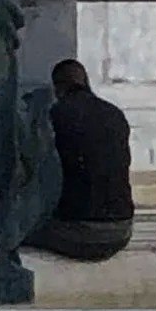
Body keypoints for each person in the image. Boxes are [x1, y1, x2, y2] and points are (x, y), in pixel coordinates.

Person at [33, 55, 136, 259]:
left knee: (16, 229)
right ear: (86, 82)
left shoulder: (57, 114)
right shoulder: (114, 114)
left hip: (81, 233)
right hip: (122, 229)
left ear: (58, 88)